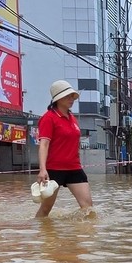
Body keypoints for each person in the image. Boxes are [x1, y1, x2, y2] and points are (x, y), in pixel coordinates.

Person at [36, 80, 95, 217]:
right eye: (67, 96)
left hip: (74, 168)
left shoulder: (72, 118)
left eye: (72, 96)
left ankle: (85, 237)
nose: (71, 99)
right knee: (45, 210)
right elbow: (44, 144)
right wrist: (43, 169)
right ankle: (40, 235)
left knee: (89, 209)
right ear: (57, 99)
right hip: (54, 170)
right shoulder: (48, 118)